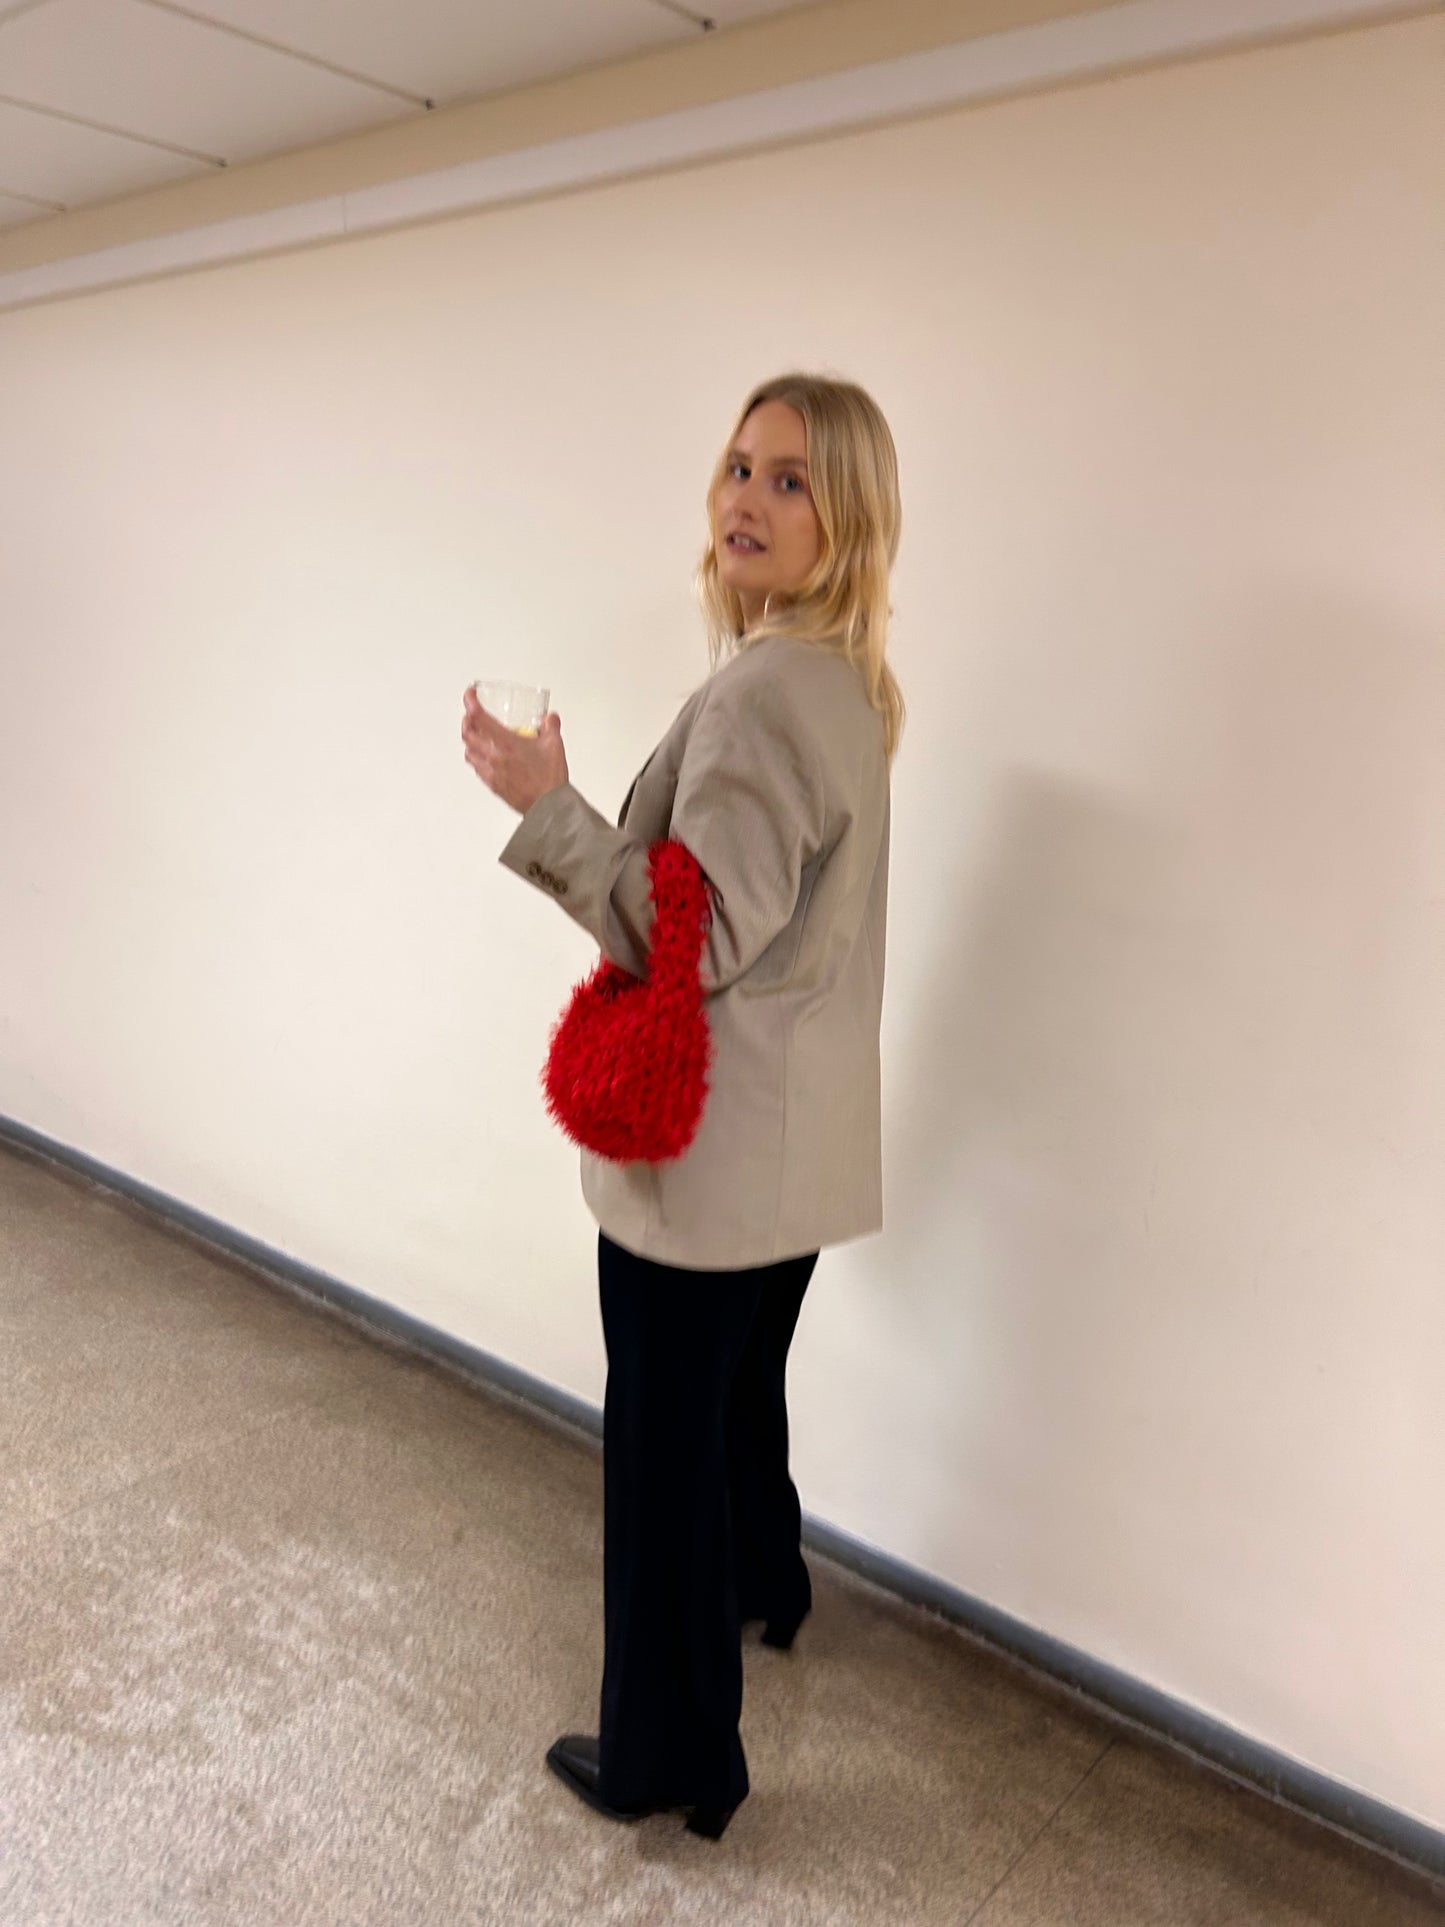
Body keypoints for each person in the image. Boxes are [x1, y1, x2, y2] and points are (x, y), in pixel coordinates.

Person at [460, 371, 904, 1841]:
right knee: (733, 1405)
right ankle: (767, 1584)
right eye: (737, 467)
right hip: (794, 1158)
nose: (747, 499)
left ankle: (667, 1757)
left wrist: (547, 804)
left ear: (847, 522)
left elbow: (691, 937)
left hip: (707, 1161)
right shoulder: (843, 686)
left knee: (660, 1449)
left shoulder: (764, 695)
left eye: (790, 481)